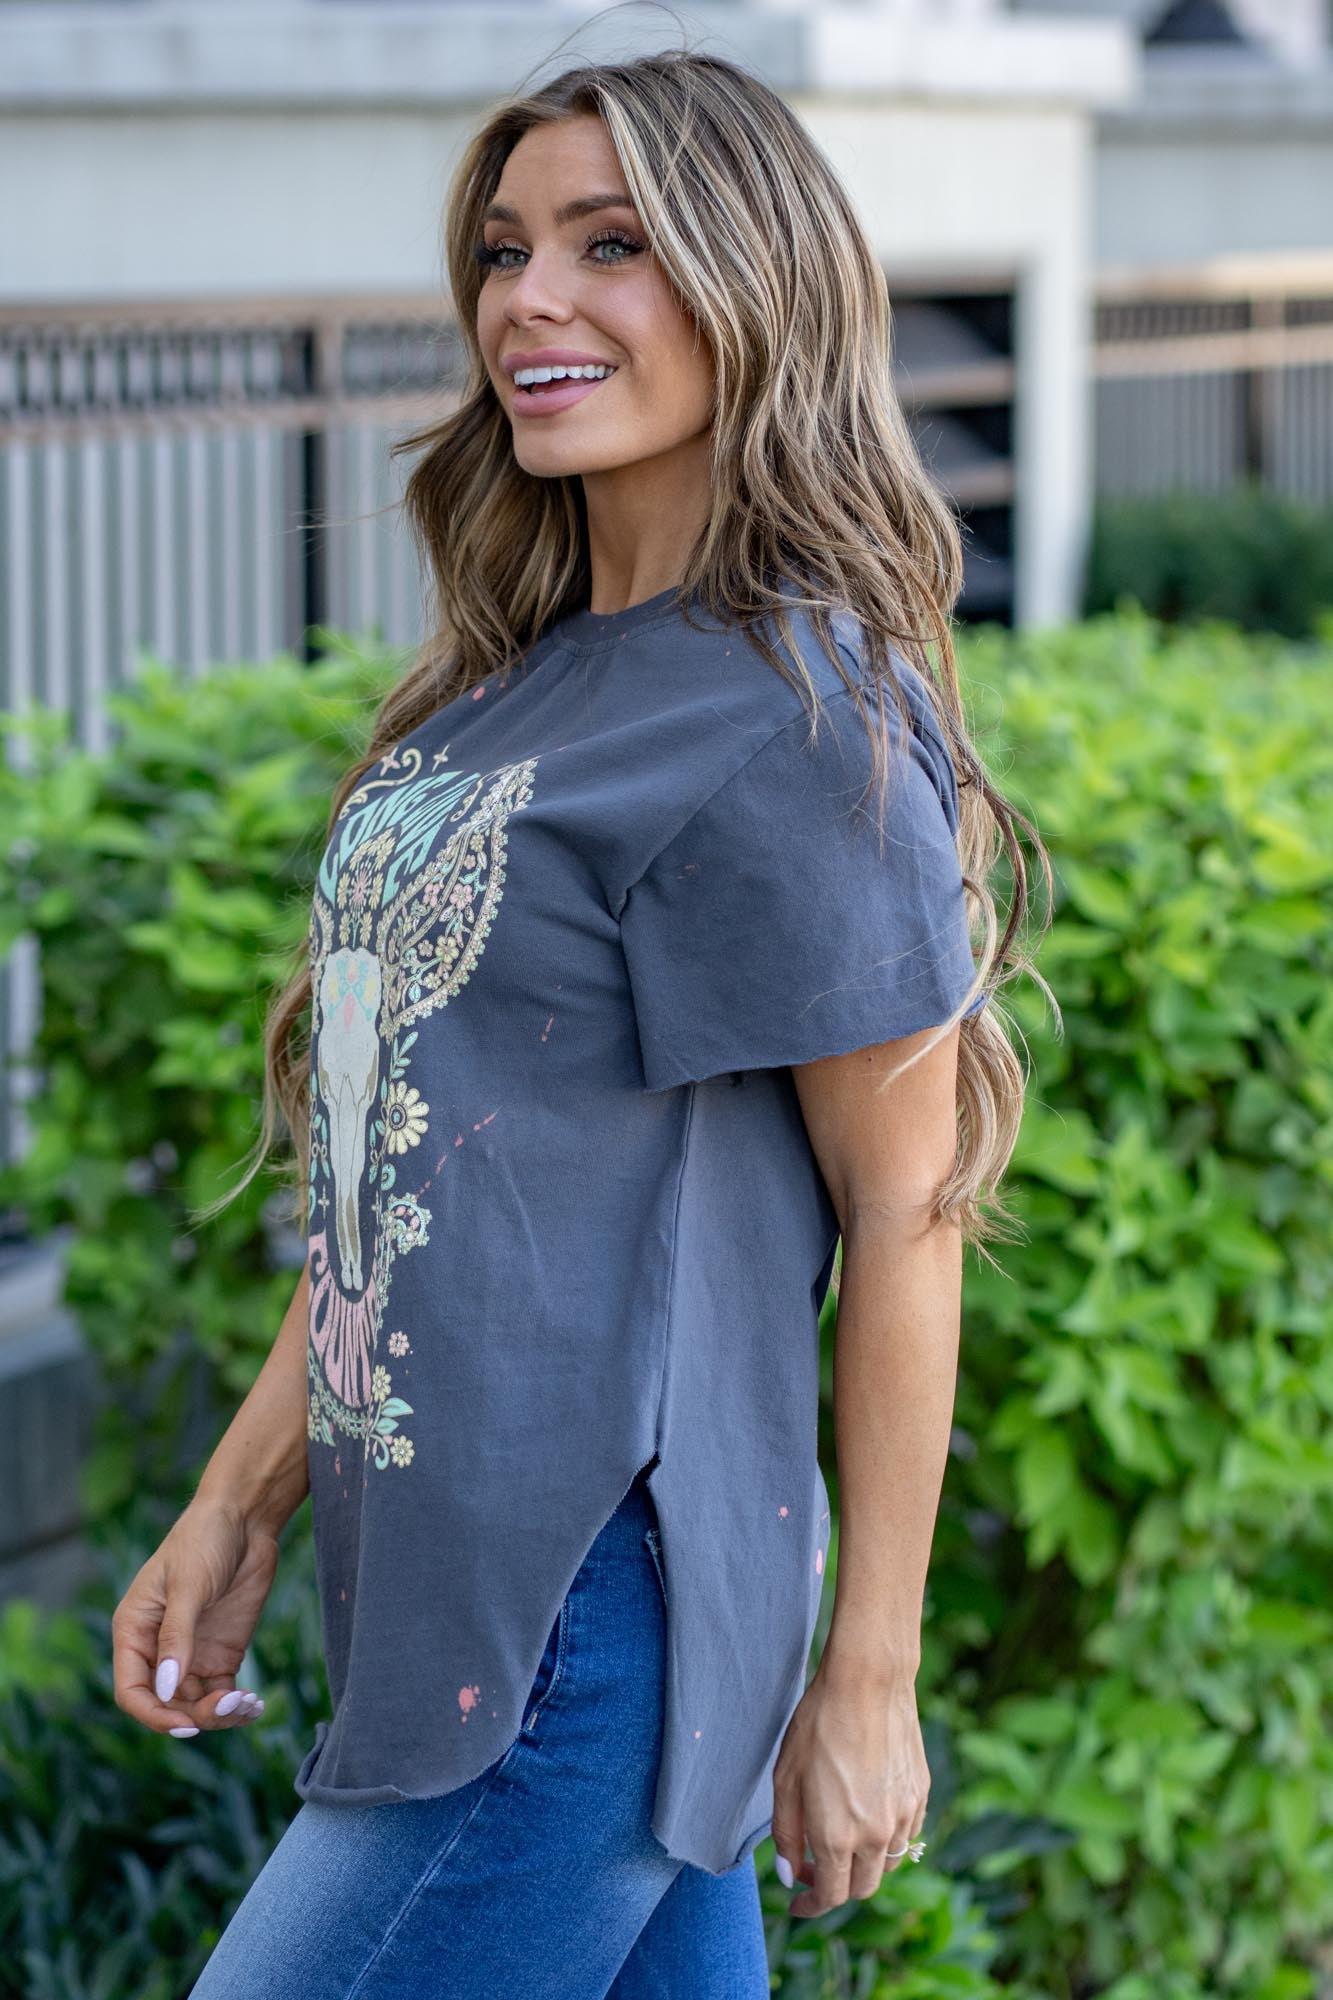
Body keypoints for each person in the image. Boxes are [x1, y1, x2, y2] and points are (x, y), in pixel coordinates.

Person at [112, 42, 1050, 2000]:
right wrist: (235, 1498)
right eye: (504, 248)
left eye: (611, 245)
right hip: (450, 1593)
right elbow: (401, 1175)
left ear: (750, 283)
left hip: (576, 1624)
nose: (531, 298)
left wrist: (868, 1675)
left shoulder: (789, 714)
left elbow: (905, 1208)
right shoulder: (517, 689)